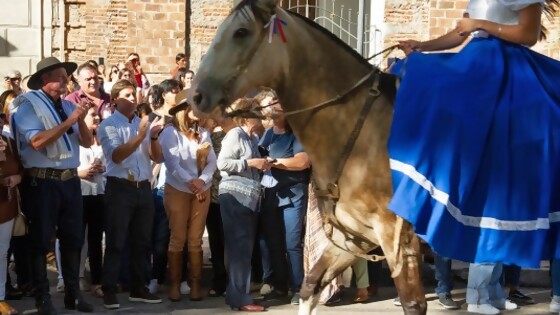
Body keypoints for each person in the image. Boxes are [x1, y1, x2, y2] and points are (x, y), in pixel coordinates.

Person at [389, 0, 560, 269]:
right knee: (423, 76)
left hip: (503, 64)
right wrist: (423, 46)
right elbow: (459, 33)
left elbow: (528, 35)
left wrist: (481, 24)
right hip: (474, 59)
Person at [12, 57, 94, 315]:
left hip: (69, 181)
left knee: (72, 240)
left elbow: (87, 142)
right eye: (61, 77)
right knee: (40, 242)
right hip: (42, 181)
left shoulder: (68, 106)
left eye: (67, 78)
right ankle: (42, 299)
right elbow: (37, 142)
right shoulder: (26, 105)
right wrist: (70, 122)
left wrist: (80, 117)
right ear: (46, 80)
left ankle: (73, 294)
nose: (66, 82)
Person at [97, 79, 163, 309]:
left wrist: (153, 137)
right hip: (120, 187)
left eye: (134, 94)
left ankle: (138, 287)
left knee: (142, 241)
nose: (133, 98)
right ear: (115, 100)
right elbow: (116, 156)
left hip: (143, 187)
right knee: (116, 241)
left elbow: (158, 158)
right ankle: (109, 289)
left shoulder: (142, 123)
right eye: (127, 94)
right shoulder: (109, 125)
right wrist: (139, 136)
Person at [159, 94, 216, 302]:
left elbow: (212, 161)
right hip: (179, 189)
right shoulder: (170, 133)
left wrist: (202, 180)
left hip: (201, 189)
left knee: (195, 239)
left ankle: (195, 284)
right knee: (178, 238)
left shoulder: (202, 133)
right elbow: (172, 163)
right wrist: (192, 182)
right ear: (184, 109)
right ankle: (174, 284)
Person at [258, 92, 311, 305]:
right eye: (268, 105)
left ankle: (299, 288)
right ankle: (280, 287)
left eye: (276, 102)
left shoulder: (296, 133)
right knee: (274, 243)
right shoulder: (268, 134)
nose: (272, 107)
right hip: (271, 195)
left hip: (293, 195)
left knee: (292, 243)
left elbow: (302, 162)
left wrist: (274, 162)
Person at [218, 98, 269, 312]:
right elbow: (223, 163)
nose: (261, 113)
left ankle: (237, 295)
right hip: (235, 196)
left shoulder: (253, 137)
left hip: (249, 197)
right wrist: (250, 163)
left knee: (242, 248)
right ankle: (241, 299)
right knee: (239, 247)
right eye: (257, 110)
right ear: (246, 115)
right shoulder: (235, 134)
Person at [0, 113, 23, 315]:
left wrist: (17, 176)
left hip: (5, 207)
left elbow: (22, 168)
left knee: (1, 252)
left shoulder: (8, 141)